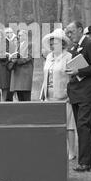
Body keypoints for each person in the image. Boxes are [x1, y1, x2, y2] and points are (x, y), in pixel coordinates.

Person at [65, 21, 91, 172]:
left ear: (80, 30)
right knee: (80, 126)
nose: (69, 35)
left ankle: (85, 162)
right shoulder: (74, 47)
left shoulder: (90, 44)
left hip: (87, 91)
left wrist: (78, 72)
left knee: (83, 125)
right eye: (67, 33)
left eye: (71, 32)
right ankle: (84, 160)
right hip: (76, 91)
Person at [40, 28, 77, 160]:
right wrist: (42, 94)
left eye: (54, 42)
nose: (52, 45)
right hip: (49, 95)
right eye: (50, 43)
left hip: (64, 95)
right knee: (52, 125)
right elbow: (46, 75)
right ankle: (56, 149)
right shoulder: (49, 57)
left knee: (69, 125)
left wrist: (70, 94)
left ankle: (72, 151)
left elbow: (76, 77)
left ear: (62, 43)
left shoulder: (69, 56)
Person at [8, 30, 33, 101]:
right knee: (20, 96)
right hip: (17, 73)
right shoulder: (18, 45)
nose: (19, 37)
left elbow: (29, 57)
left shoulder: (30, 44)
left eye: (21, 35)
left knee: (26, 97)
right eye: (18, 35)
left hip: (25, 72)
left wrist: (17, 61)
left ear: (26, 36)